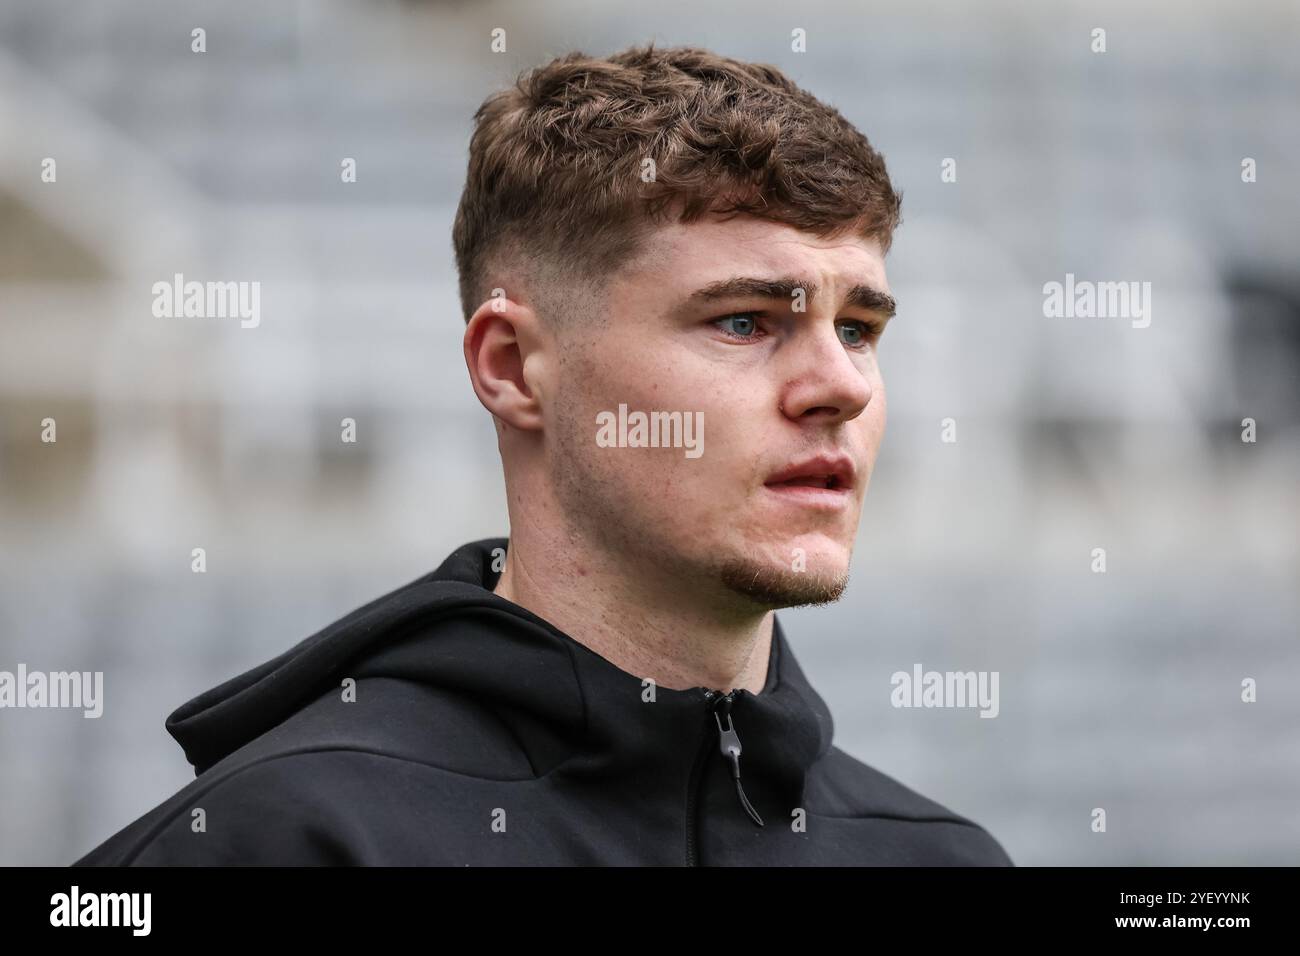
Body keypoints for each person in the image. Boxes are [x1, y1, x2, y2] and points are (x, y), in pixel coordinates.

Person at [74, 43, 1012, 866]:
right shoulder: (282, 840)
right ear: (515, 366)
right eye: (744, 320)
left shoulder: (941, 857)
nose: (840, 386)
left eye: (857, 328)